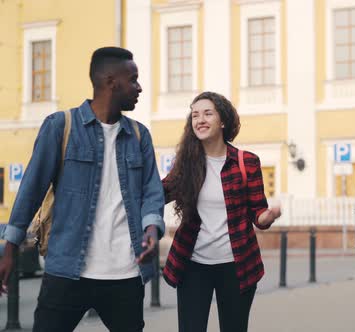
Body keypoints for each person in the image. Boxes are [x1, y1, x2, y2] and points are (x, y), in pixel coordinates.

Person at [0, 47, 165, 331]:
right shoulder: (60, 126)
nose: (139, 87)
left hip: (125, 274)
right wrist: (10, 249)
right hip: (67, 270)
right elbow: (31, 190)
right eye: (133, 79)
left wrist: (152, 231)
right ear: (112, 81)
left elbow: (151, 194)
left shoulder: (139, 135)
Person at [161, 91, 281, 332]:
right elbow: (159, 194)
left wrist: (266, 217)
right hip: (194, 264)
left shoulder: (246, 162)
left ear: (223, 120)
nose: (200, 120)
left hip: (236, 266)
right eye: (195, 115)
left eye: (207, 113)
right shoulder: (187, 163)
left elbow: (258, 212)